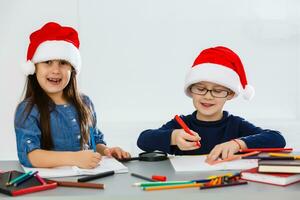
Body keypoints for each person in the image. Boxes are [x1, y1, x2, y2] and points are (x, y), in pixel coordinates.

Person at [137, 46, 286, 163]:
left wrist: (238, 144)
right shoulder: (181, 124)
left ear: (230, 94)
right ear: (191, 90)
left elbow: (277, 139)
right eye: (201, 89)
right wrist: (174, 137)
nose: (208, 96)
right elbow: (143, 140)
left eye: (218, 91)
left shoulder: (236, 125)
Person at [15, 22, 130, 168]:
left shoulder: (85, 103)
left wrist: (106, 151)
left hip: (88, 180)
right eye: (48, 62)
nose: (56, 70)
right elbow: (30, 156)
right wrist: (74, 158)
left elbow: (93, 140)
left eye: (63, 62)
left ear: (72, 69)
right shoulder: (28, 109)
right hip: (51, 185)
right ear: (34, 68)